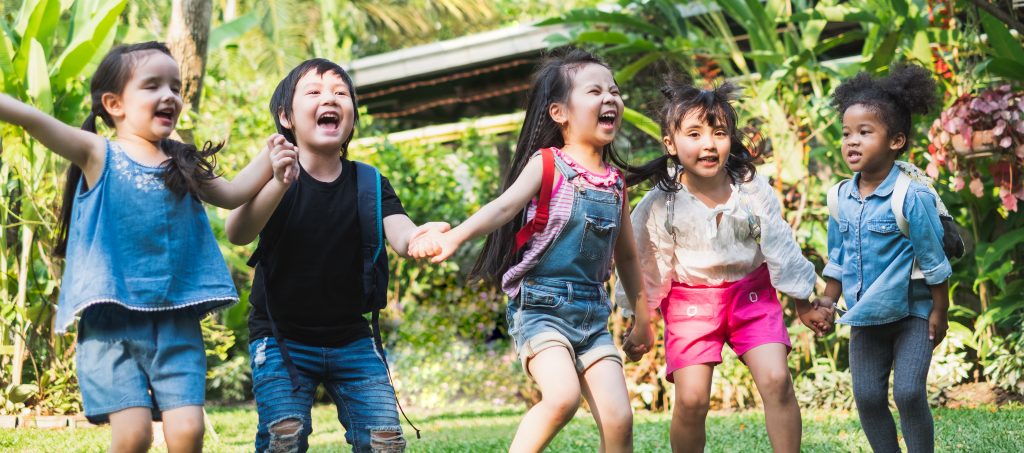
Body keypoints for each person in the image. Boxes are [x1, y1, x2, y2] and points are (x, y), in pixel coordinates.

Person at [0, 41, 278, 452]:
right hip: (112, 326)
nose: (170, 95)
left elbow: (235, 193)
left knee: (188, 432)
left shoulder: (182, 163)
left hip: (177, 322)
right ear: (114, 104)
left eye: (175, 87)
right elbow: (33, 119)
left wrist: (274, 155)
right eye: (152, 86)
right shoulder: (98, 154)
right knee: (133, 436)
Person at [409, 48, 654, 452]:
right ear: (560, 112)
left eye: (614, 90)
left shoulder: (615, 183)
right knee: (562, 398)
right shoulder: (548, 165)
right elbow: (503, 207)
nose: (610, 98)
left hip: (593, 317)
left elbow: (626, 256)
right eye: (595, 91)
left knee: (619, 419)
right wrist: (455, 236)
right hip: (540, 309)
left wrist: (641, 318)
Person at [225, 58, 448, 453]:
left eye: (340, 93)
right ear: (286, 116)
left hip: (352, 339)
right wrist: (278, 182)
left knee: (385, 442)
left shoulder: (369, 181)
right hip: (280, 339)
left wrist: (420, 237)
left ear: (351, 117)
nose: (329, 98)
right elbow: (238, 232)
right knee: (284, 437)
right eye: (313, 92)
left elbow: (401, 233)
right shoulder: (275, 172)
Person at [620, 77, 833, 453]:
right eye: (695, 133)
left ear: (730, 139)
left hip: (752, 295)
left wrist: (802, 302)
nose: (708, 143)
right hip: (689, 305)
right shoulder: (660, 203)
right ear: (671, 143)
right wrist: (641, 324)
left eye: (718, 133)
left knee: (777, 379)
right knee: (691, 400)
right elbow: (647, 265)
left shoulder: (750, 189)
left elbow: (780, 244)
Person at [819, 63, 950, 453]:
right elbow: (838, 258)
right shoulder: (839, 197)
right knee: (868, 398)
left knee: (909, 392)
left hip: (913, 313)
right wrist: (827, 300)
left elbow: (934, 259)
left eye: (864, 132)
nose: (851, 142)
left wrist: (939, 310)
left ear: (895, 140)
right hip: (864, 316)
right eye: (846, 134)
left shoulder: (912, 196)